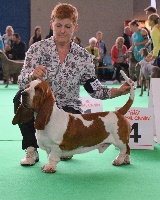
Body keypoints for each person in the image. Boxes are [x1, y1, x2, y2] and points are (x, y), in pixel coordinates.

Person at [13, 3, 133, 167]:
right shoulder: (36, 49)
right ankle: (31, 148)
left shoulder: (83, 56)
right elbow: (20, 81)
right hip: (40, 104)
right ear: (51, 24)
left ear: (75, 27)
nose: (62, 30)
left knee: (64, 152)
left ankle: (63, 150)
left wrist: (118, 91)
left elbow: (94, 89)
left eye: (67, 26)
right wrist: (31, 75)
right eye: (58, 25)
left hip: (68, 109)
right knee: (20, 97)